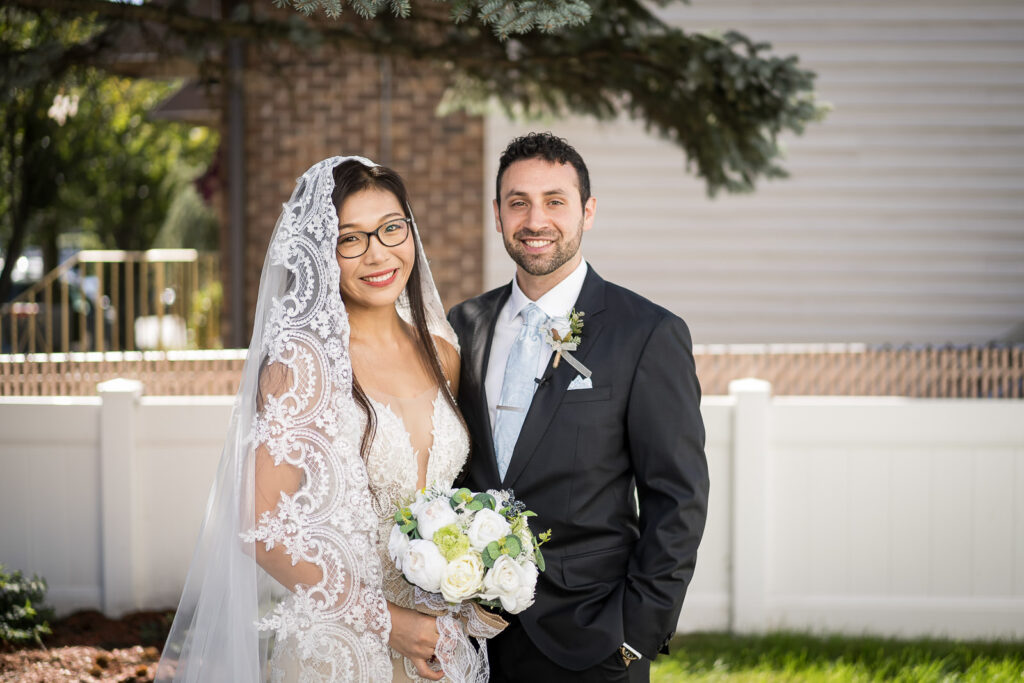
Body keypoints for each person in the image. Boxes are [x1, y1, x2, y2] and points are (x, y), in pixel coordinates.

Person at [156, 156, 468, 682]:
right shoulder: (301, 369)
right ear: (320, 253)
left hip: (441, 644)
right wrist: (384, 620)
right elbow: (256, 525)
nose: (379, 254)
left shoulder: (442, 352)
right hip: (342, 649)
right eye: (351, 239)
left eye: (392, 229)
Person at [447, 133, 710, 683]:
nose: (534, 219)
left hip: (592, 639)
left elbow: (677, 498)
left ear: (587, 211)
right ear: (497, 215)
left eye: (555, 200)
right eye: (517, 202)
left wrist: (636, 634)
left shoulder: (647, 334)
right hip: (470, 638)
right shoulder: (461, 326)